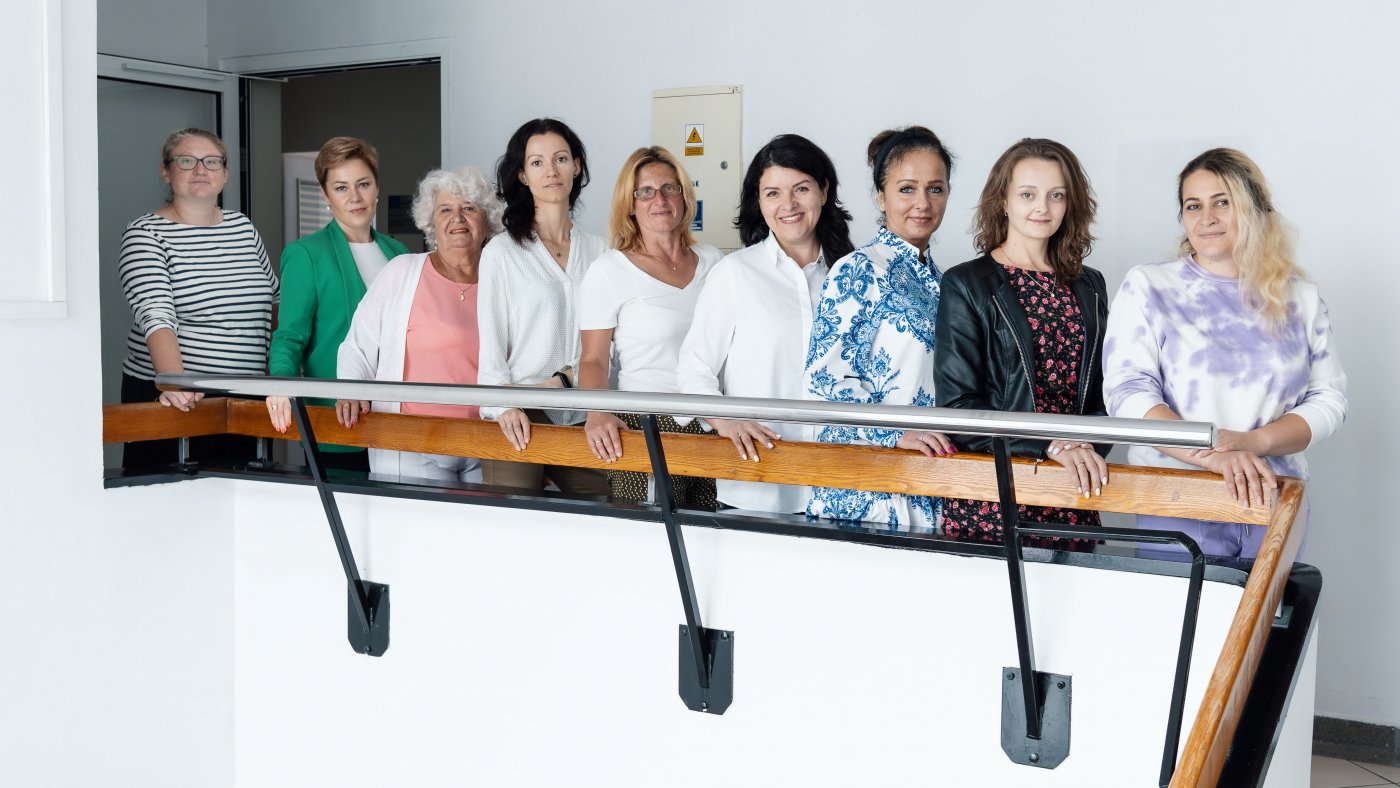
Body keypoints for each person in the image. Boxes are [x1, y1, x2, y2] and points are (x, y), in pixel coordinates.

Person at [1103, 148, 1347, 558]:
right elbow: (1127, 392)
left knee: (1269, 606)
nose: (1207, 217)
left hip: (1274, 499)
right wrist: (1213, 454)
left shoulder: (1300, 297)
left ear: (1254, 209)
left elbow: (1329, 398)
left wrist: (1253, 442)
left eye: (1222, 202)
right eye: (1193, 205)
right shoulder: (1150, 286)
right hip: (1177, 496)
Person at [935, 138, 1109, 545]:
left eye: (1056, 195)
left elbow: (1106, 396)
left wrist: (1086, 448)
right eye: (1028, 194)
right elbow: (957, 408)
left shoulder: (1091, 285)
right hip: (995, 491)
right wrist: (1048, 445)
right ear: (1004, 201)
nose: (1042, 208)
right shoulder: (967, 283)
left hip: (1072, 485)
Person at [676, 134, 853, 513]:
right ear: (758, 201)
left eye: (801, 188)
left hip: (845, 483)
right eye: (773, 193)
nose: (788, 204)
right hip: (758, 484)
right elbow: (694, 368)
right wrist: (726, 421)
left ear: (823, 190)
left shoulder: (854, 275)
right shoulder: (734, 274)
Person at [803, 126, 956, 531]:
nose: (922, 203)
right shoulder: (858, 269)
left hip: (927, 479)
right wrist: (893, 434)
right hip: (866, 487)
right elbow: (824, 380)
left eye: (935, 189)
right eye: (907, 189)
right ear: (881, 196)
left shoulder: (945, 283)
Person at [118, 127, 278, 469]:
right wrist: (174, 382)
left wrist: (278, 375)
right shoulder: (145, 233)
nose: (200, 170)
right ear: (166, 171)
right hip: (178, 397)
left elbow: (274, 301)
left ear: (226, 173)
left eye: (211, 161)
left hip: (246, 397)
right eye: (186, 161)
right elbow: (156, 315)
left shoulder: (243, 228)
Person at [335, 166, 504, 482]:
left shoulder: (504, 281)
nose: (457, 218)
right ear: (432, 223)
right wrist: (350, 389)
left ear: (487, 221)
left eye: (469, 208)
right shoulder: (402, 271)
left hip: (486, 440)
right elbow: (358, 344)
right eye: (445, 210)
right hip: (411, 439)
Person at [578, 147, 723, 506]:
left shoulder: (714, 261)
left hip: (713, 424)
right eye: (645, 191)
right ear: (630, 204)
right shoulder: (609, 271)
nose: (659, 199)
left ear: (684, 197)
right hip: (646, 426)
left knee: (714, 530)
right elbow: (593, 359)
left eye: (669, 188)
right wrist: (597, 413)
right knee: (648, 535)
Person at [476, 118, 608, 496]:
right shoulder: (502, 253)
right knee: (516, 519)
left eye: (561, 159)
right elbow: (491, 354)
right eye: (537, 162)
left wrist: (573, 381)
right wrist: (504, 407)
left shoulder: (601, 252)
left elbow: (612, 344)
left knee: (612, 512)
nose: (551, 171)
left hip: (584, 413)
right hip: (519, 411)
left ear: (576, 166)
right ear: (522, 175)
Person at [266, 137, 409, 472]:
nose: (355, 197)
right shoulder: (306, 254)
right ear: (325, 195)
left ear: (377, 187)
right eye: (341, 187)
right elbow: (289, 337)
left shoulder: (400, 254)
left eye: (363, 184)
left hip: (398, 422)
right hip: (337, 424)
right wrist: (280, 386)